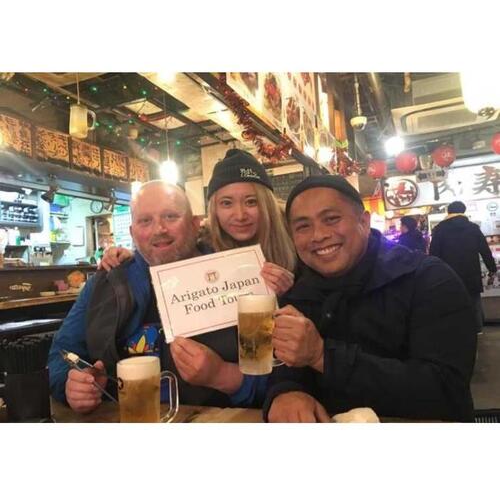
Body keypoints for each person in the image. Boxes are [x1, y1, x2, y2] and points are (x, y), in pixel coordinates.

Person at [263, 175, 477, 422]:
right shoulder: (298, 293)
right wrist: (285, 392)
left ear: (364, 222)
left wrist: (323, 356)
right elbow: (285, 369)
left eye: (331, 219)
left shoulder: (428, 279)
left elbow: (445, 389)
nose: (318, 235)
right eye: (303, 226)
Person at [96, 149, 297, 410]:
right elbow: (163, 247)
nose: (239, 215)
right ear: (213, 211)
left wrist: (287, 296)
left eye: (251, 201)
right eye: (226, 203)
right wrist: (132, 256)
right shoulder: (206, 249)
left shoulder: (297, 246)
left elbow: (278, 364)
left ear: (266, 203)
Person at [48, 181, 264, 413]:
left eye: (171, 217)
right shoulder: (105, 283)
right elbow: (61, 354)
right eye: (145, 221)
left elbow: (272, 375)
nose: (159, 229)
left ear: (194, 225)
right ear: (132, 232)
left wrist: (223, 375)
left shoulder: (234, 277)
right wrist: (73, 385)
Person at [429, 200, 497, 334]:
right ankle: (477, 328)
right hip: (471, 271)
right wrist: (492, 268)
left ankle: (457, 330)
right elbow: (485, 250)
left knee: (451, 301)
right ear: (463, 211)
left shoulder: (440, 229)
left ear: (448, 211)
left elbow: (434, 253)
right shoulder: (473, 228)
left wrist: (433, 272)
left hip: (448, 273)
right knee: (474, 299)